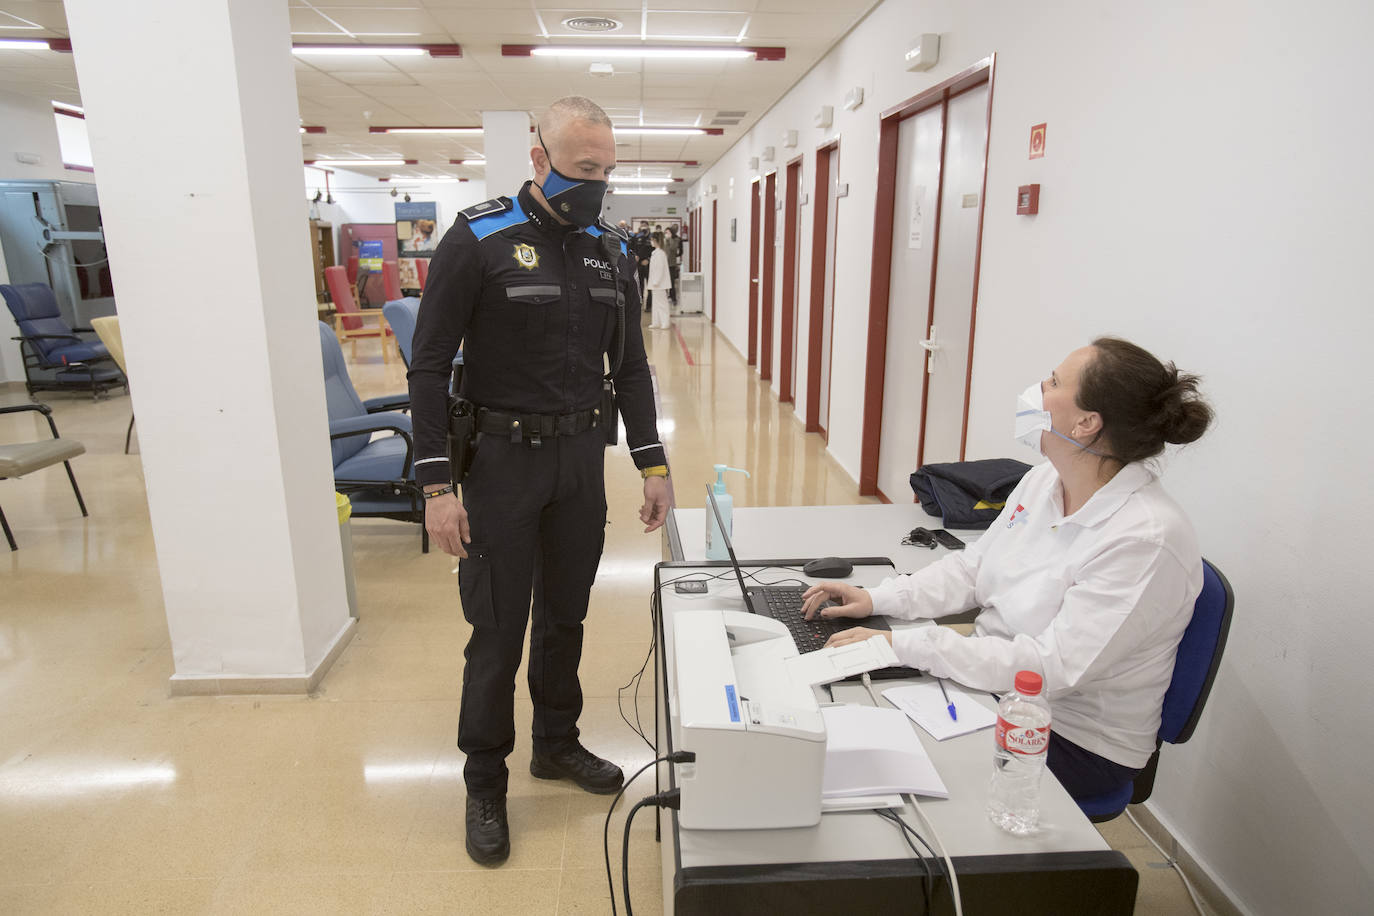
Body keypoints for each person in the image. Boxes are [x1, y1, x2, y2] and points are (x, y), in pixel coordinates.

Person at [407, 96, 671, 867]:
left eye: (607, 171)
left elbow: (628, 366)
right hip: (499, 468)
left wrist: (652, 462)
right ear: (538, 157)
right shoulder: (478, 238)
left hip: (579, 464)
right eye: (584, 169)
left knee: (566, 618)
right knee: (495, 633)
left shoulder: (608, 249)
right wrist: (435, 487)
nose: (597, 185)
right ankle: (484, 779)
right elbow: (427, 364)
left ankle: (556, 743)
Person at [803, 338, 1213, 799]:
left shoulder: (1144, 539)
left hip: (1069, 738)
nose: (1039, 386)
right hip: (992, 690)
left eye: (1054, 381)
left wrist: (904, 645)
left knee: (867, 766)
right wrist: (880, 598)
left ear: (1086, 423)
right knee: (838, 721)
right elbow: (973, 569)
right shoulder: (1045, 480)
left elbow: (1050, 669)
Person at [645, 231, 672, 330]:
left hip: (659, 284)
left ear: (656, 241)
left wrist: (656, 281)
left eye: (652, 240)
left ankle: (665, 322)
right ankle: (656, 322)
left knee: (662, 304)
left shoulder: (660, 253)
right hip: (655, 284)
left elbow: (660, 269)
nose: (651, 242)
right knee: (655, 304)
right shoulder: (655, 253)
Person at [663, 225, 681, 306]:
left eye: (668, 232)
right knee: (663, 282)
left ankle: (674, 298)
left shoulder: (676, 239)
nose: (667, 234)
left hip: (671, 264)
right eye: (666, 232)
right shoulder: (663, 240)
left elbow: (673, 248)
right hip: (663, 264)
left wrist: (670, 239)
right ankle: (665, 297)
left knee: (671, 282)